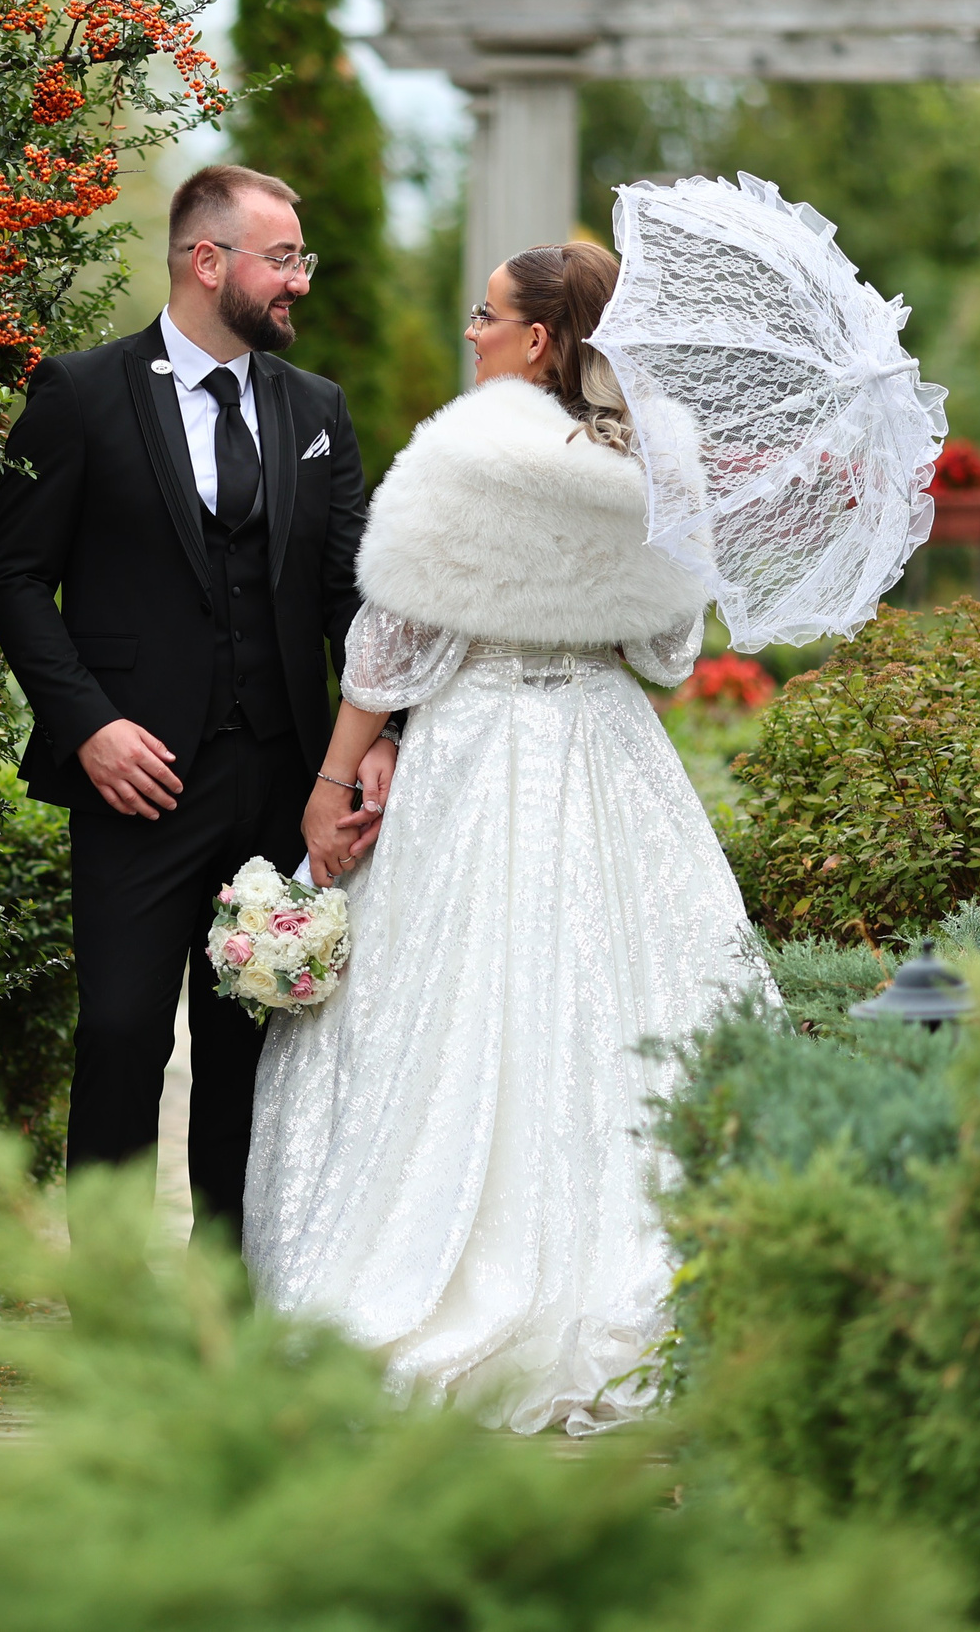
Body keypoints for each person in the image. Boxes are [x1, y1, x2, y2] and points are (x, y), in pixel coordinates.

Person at [242, 241, 778, 1435]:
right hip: (604, 758)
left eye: (485, 316)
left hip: (479, 756)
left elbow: (392, 649)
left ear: (541, 340)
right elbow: (666, 657)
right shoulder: (648, 467)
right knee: (626, 1000)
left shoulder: (470, 454)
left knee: (454, 1009)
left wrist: (334, 777)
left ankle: (434, 1279)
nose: (469, 332)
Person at [0, 164, 394, 1233]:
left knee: (249, 1044)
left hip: (280, 779)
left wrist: (377, 733)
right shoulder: (78, 393)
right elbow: (14, 576)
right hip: (137, 782)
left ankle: (230, 1299)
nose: (300, 280)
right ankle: (114, 1320)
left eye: (303, 257)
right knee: (121, 1034)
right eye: (284, 258)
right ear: (207, 261)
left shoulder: (317, 410)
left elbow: (349, 594)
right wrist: (87, 725)